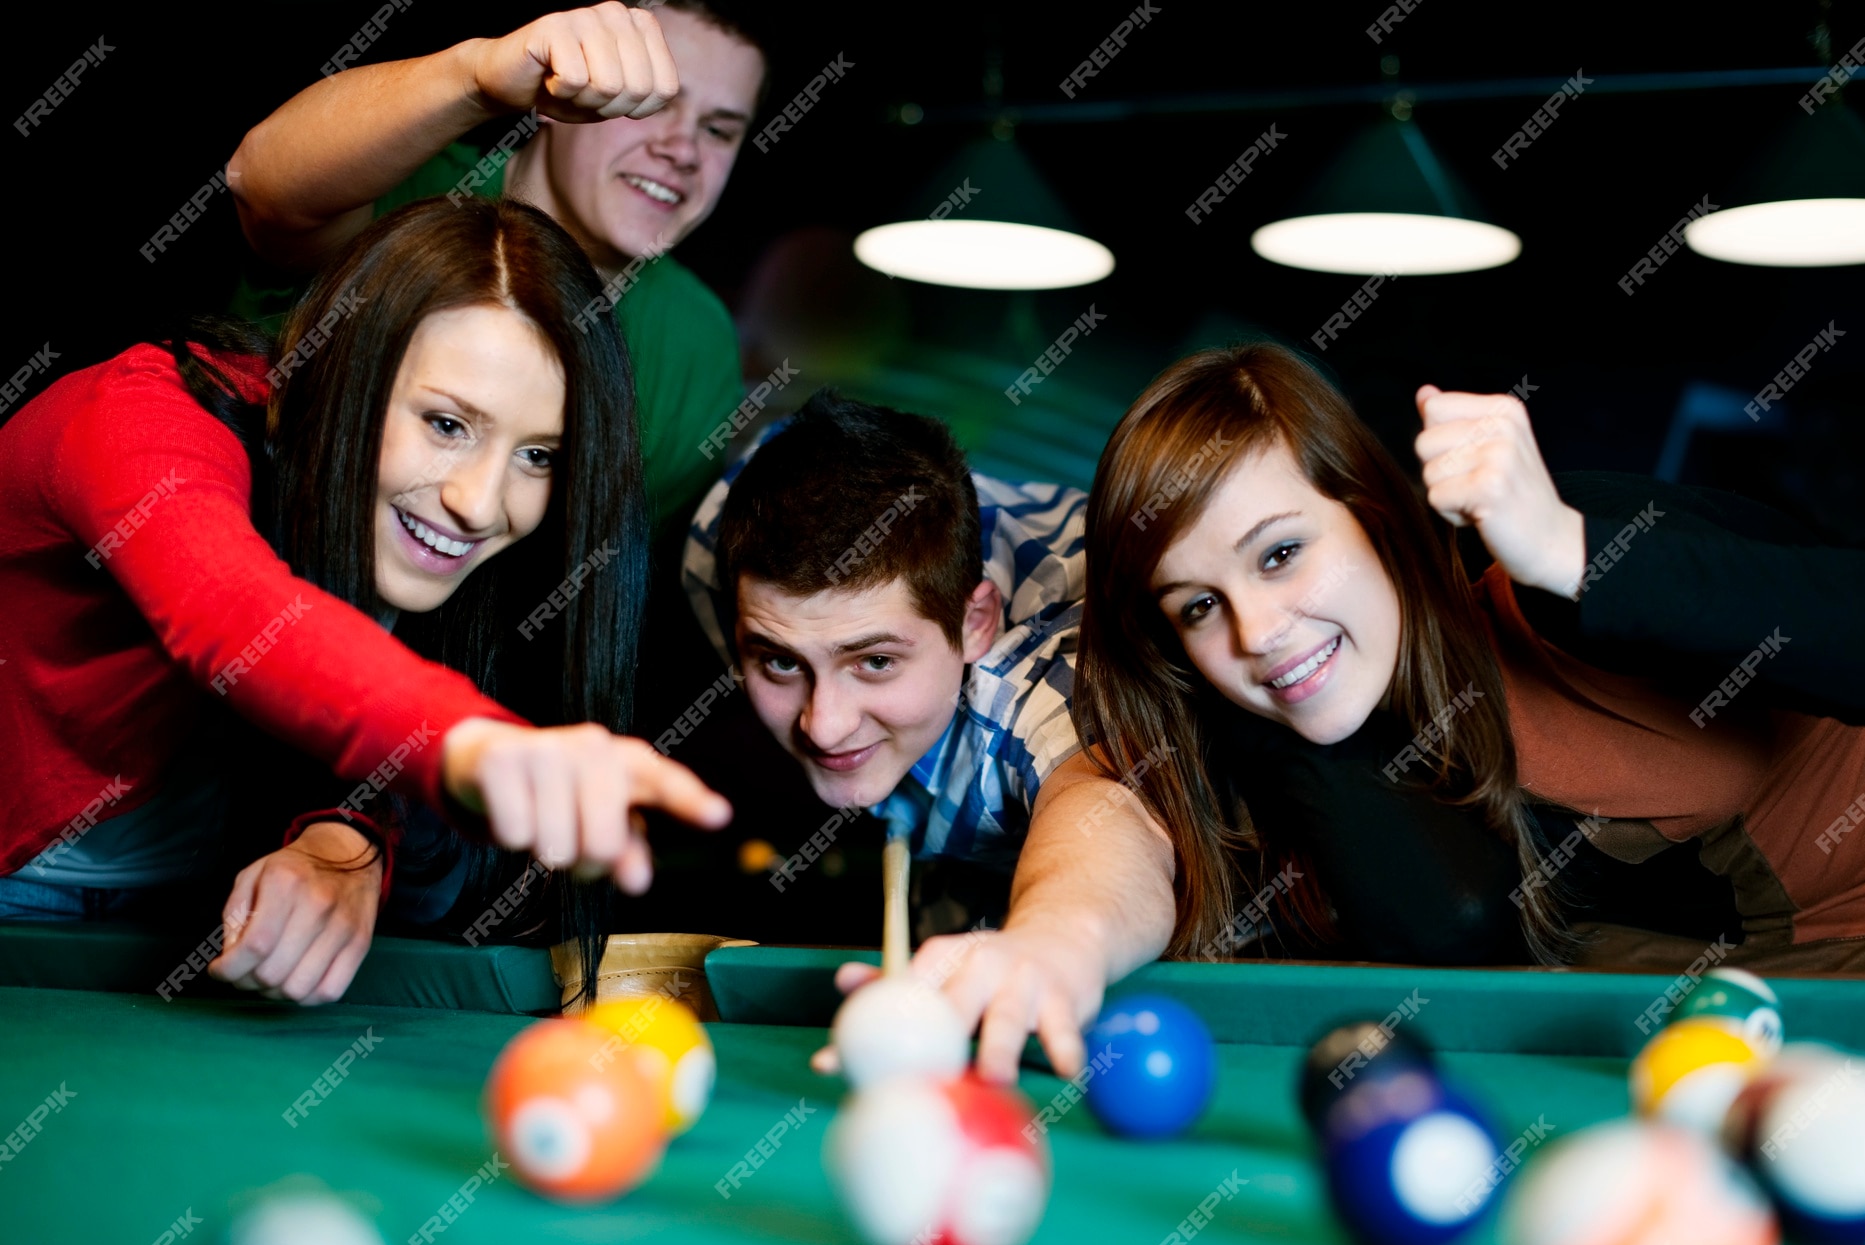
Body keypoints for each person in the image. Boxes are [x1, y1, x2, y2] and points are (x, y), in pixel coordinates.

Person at [0, 196, 731, 1006]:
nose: (481, 504)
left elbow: (343, 699)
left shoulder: (423, 540)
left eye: (537, 454)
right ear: (344, 364)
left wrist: (343, 833)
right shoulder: (139, 417)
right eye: (447, 423)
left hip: (192, 915)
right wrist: (477, 746)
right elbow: (236, 613)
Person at [1073, 341, 1865, 977]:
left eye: (1281, 553)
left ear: (1380, 517)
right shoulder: (1264, 718)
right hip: (1711, 1016)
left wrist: (1564, 548)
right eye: (1199, 605)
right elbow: (1456, 921)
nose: (1257, 628)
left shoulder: (1552, 575)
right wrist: (1274, 711)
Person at [681, 390, 1174, 1078]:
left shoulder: (1046, 676)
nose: (824, 723)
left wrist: (1054, 939)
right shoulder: (718, 551)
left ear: (975, 623)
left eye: (875, 661)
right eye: (781, 661)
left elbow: (1109, 815)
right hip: (958, 865)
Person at [228, 1, 766, 527]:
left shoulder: (701, 346)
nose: (684, 151)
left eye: (718, 131)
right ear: (562, 86)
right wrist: (478, 77)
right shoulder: (404, 188)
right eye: (649, 101)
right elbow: (259, 184)